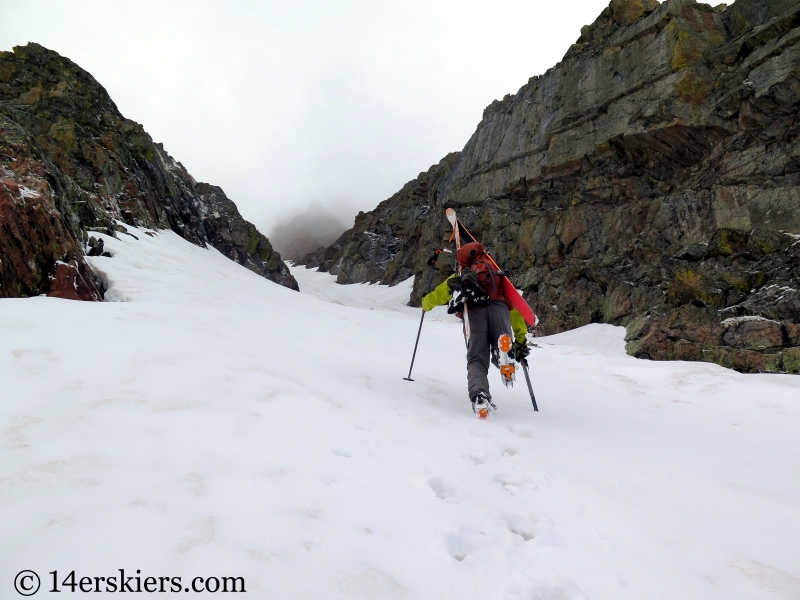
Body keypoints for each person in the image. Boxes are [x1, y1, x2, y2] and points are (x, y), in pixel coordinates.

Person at [421, 241, 529, 415]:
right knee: (501, 347)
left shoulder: (464, 273)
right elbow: (516, 307)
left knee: (477, 359)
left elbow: (441, 293)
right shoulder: (496, 272)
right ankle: (504, 354)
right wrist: (521, 339)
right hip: (500, 310)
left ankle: (480, 395)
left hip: (475, 314)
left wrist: (426, 303)